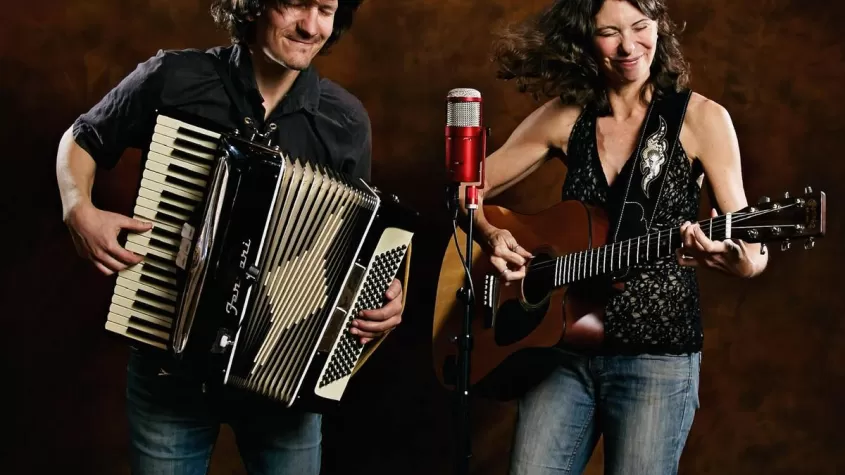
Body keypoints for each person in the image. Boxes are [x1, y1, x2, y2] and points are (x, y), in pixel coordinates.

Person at [55, 1, 404, 473]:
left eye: (325, 9)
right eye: (296, 4)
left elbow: (350, 247)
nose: (310, 26)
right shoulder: (173, 77)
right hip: (167, 366)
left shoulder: (345, 121)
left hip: (282, 379)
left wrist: (382, 294)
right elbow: (82, 138)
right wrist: (79, 210)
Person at [468, 0, 769, 473]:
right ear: (585, 38)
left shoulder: (701, 120)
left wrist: (738, 260)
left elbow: (752, 246)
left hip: (657, 357)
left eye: (640, 27)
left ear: (659, 28)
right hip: (561, 351)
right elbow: (468, 187)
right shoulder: (567, 117)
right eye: (609, 32)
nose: (629, 46)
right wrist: (487, 232)